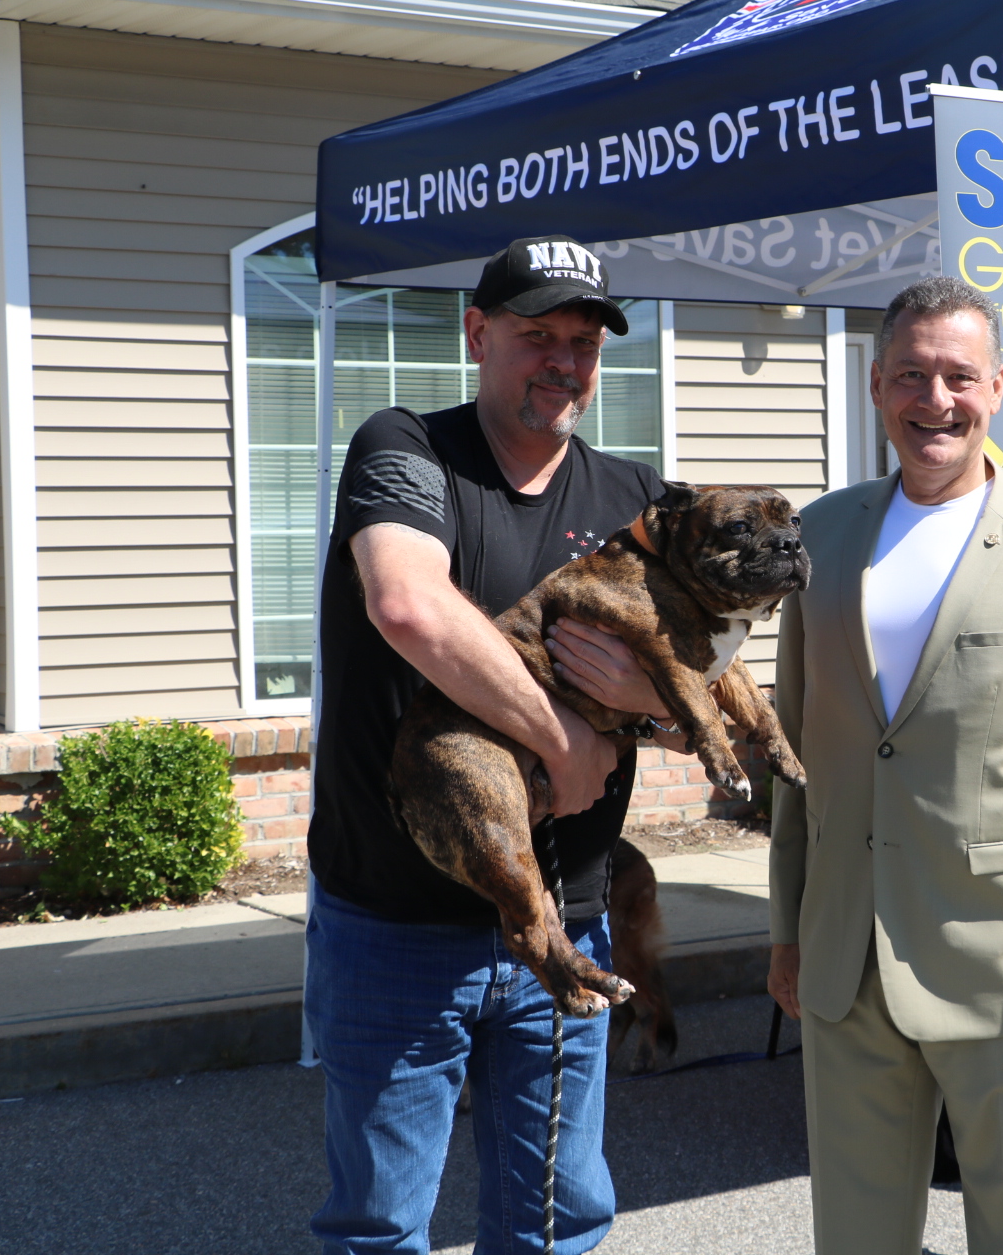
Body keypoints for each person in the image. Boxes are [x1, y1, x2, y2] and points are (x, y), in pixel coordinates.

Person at [304, 235, 693, 1255]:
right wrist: (564, 738)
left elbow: (695, 679)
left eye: (584, 341)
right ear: (478, 335)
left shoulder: (633, 496)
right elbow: (407, 601)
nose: (564, 360)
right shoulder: (405, 449)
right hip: (395, 923)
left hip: (568, 932)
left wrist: (646, 701)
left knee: (557, 1220)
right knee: (381, 1225)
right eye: (537, 336)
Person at [767, 276, 1003, 1255]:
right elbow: (797, 756)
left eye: (958, 376)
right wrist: (788, 926)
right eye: (911, 375)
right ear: (875, 385)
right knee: (854, 1236)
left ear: (998, 387)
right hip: (845, 956)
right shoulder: (821, 536)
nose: (934, 400)